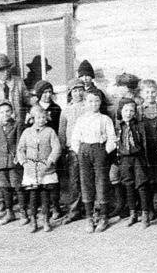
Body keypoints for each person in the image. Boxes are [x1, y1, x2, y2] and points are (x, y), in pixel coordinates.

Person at [0, 53, 30, 212]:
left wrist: (38, 107)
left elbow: (27, 99)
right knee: (1, 164)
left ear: (9, 68)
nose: (3, 72)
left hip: (16, 126)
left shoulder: (18, 82)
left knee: (16, 165)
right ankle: (4, 200)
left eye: (5, 69)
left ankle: (22, 202)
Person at [71, 90, 117, 233]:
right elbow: (75, 138)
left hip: (99, 151)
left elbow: (112, 138)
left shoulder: (105, 119)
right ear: (85, 103)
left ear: (100, 102)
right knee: (86, 183)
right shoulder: (81, 120)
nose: (94, 104)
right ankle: (89, 218)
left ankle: (103, 217)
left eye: (96, 101)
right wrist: (79, 151)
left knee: (101, 182)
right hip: (84, 151)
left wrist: (105, 151)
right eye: (90, 101)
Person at [16, 105, 62, 233]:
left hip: (46, 169)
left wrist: (50, 161)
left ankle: (46, 221)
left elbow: (56, 148)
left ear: (46, 119)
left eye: (43, 117)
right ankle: (33, 222)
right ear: (33, 119)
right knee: (33, 197)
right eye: (38, 117)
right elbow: (20, 149)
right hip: (30, 169)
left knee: (45, 196)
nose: (40, 120)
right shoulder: (26, 132)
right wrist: (24, 161)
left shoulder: (50, 132)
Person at [116, 98, 151, 228]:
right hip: (125, 159)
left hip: (138, 158)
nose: (128, 113)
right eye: (126, 110)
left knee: (141, 185)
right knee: (128, 185)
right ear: (121, 111)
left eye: (132, 110)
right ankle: (133, 213)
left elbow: (145, 143)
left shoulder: (140, 125)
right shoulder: (119, 126)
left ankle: (145, 214)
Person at [137, 79, 157, 221]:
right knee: (146, 179)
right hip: (144, 151)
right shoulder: (138, 111)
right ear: (142, 93)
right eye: (147, 92)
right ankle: (149, 208)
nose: (150, 95)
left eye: (153, 92)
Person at [58, 78, 87, 224]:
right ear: (70, 93)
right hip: (72, 151)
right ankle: (75, 210)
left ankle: (91, 209)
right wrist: (62, 150)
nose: (78, 93)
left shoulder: (89, 107)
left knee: (88, 179)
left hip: (87, 148)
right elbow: (62, 133)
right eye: (75, 91)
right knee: (74, 181)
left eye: (80, 90)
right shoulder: (66, 111)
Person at [33, 79, 63, 219]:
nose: (47, 95)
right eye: (44, 92)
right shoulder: (33, 108)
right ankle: (42, 208)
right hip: (37, 147)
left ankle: (55, 206)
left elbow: (59, 128)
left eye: (50, 92)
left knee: (52, 178)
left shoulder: (56, 108)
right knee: (38, 177)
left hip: (51, 146)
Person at [0, 101, 22, 225]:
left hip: (13, 160)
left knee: (17, 185)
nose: (5, 114)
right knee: (5, 187)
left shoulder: (17, 125)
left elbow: (20, 142)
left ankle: (24, 212)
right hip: (0, 161)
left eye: (7, 111)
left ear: (12, 112)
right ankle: (10, 213)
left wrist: (18, 155)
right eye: (2, 112)